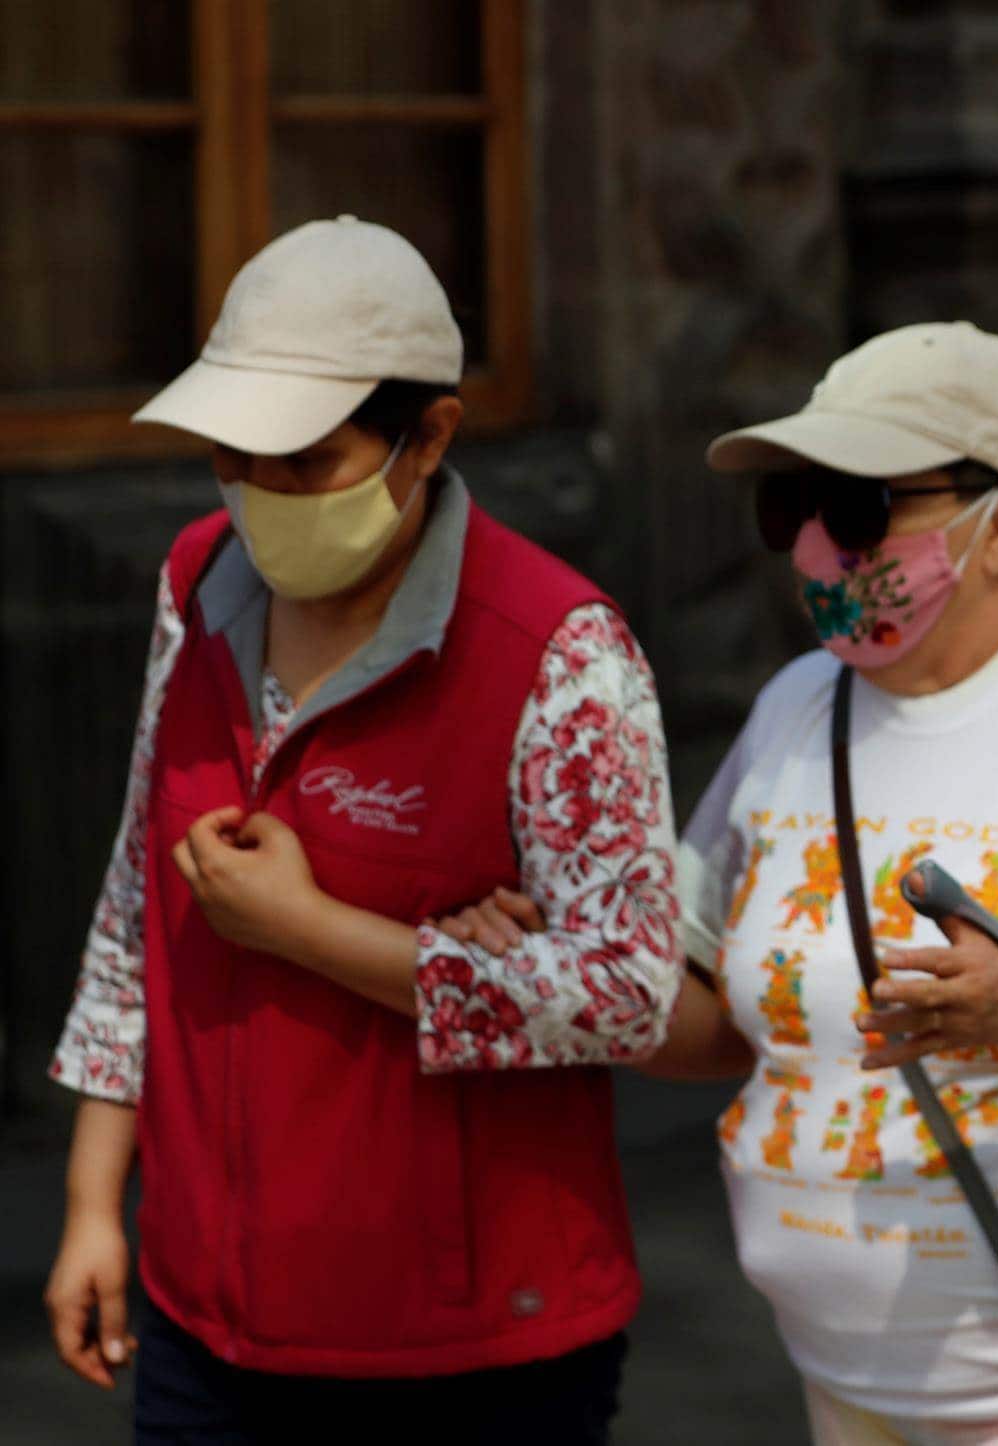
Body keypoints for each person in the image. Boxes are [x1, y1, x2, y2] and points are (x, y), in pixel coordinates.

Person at [454, 321, 998, 1441]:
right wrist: (567, 957)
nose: (817, 551)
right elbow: (709, 1024)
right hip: (832, 1375)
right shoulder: (798, 703)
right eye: (796, 508)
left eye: (862, 511)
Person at [42, 217, 681, 1444]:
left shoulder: (560, 653)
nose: (261, 493)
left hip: (469, 1353)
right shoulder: (197, 581)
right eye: (235, 454)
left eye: (307, 461)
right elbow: (137, 904)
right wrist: (89, 1204)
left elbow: (630, 988)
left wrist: (315, 931)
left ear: (428, 436)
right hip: (204, 1321)